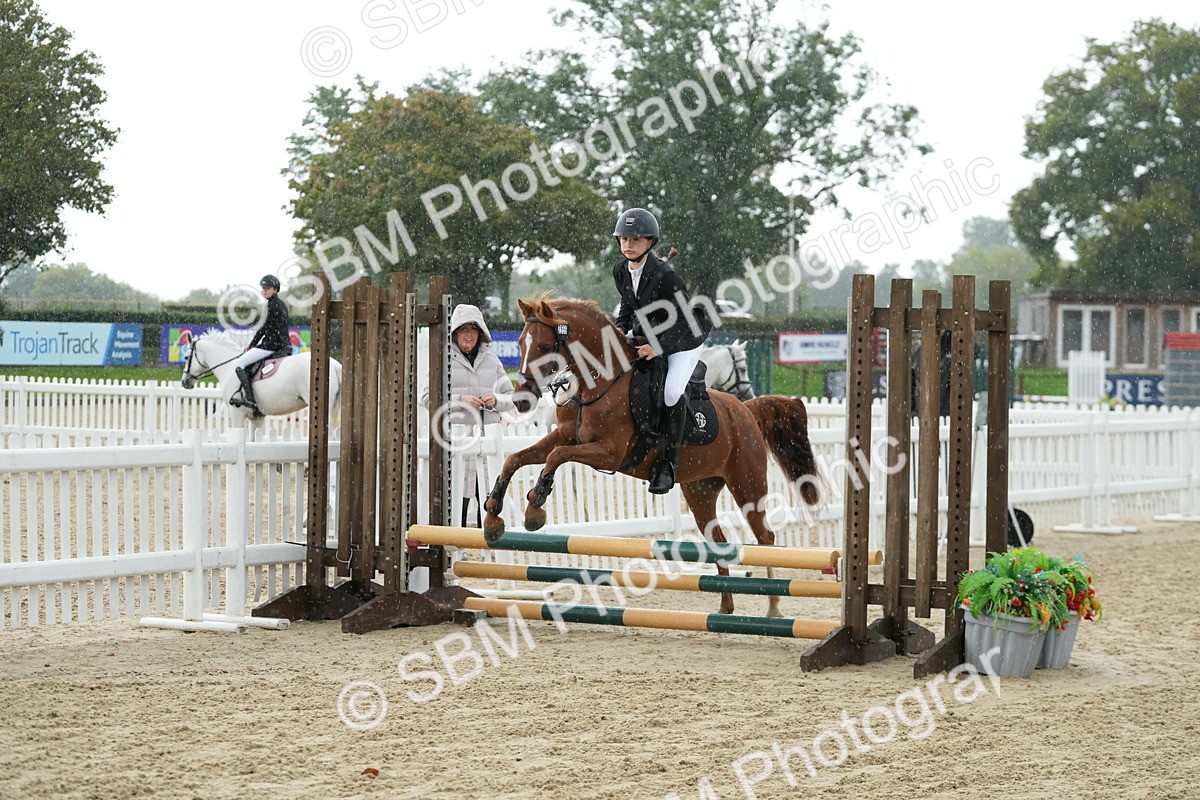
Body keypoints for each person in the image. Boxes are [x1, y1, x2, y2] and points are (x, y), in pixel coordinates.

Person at [611, 207, 712, 494]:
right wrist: (621, 329)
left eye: (636, 240)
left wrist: (657, 347)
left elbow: (685, 322)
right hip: (650, 331)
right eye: (624, 239)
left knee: (670, 392)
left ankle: (668, 463)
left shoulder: (667, 276)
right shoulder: (620, 270)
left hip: (685, 339)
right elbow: (628, 304)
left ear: (650, 243)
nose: (628, 245)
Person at [421, 303, 516, 527]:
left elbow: (511, 397)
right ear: (455, 332)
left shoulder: (492, 361)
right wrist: (460, 401)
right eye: (464, 330)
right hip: (457, 443)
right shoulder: (442, 360)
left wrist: (496, 400)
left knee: (489, 500)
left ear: (480, 333)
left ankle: (488, 548)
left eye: (473, 330)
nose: (469, 335)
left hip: (487, 444)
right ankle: (458, 548)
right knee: (457, 503)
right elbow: (427, 398)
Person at [230, 274, 290, 414]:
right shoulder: (281, 304)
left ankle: (250, 398)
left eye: (267, 288)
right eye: (263, 288)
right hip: (283, 344)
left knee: (238, 364)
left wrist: (251, 345)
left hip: (270, 345)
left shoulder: (271, 305)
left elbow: (264, 329)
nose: (264, 290)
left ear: (275, 289)